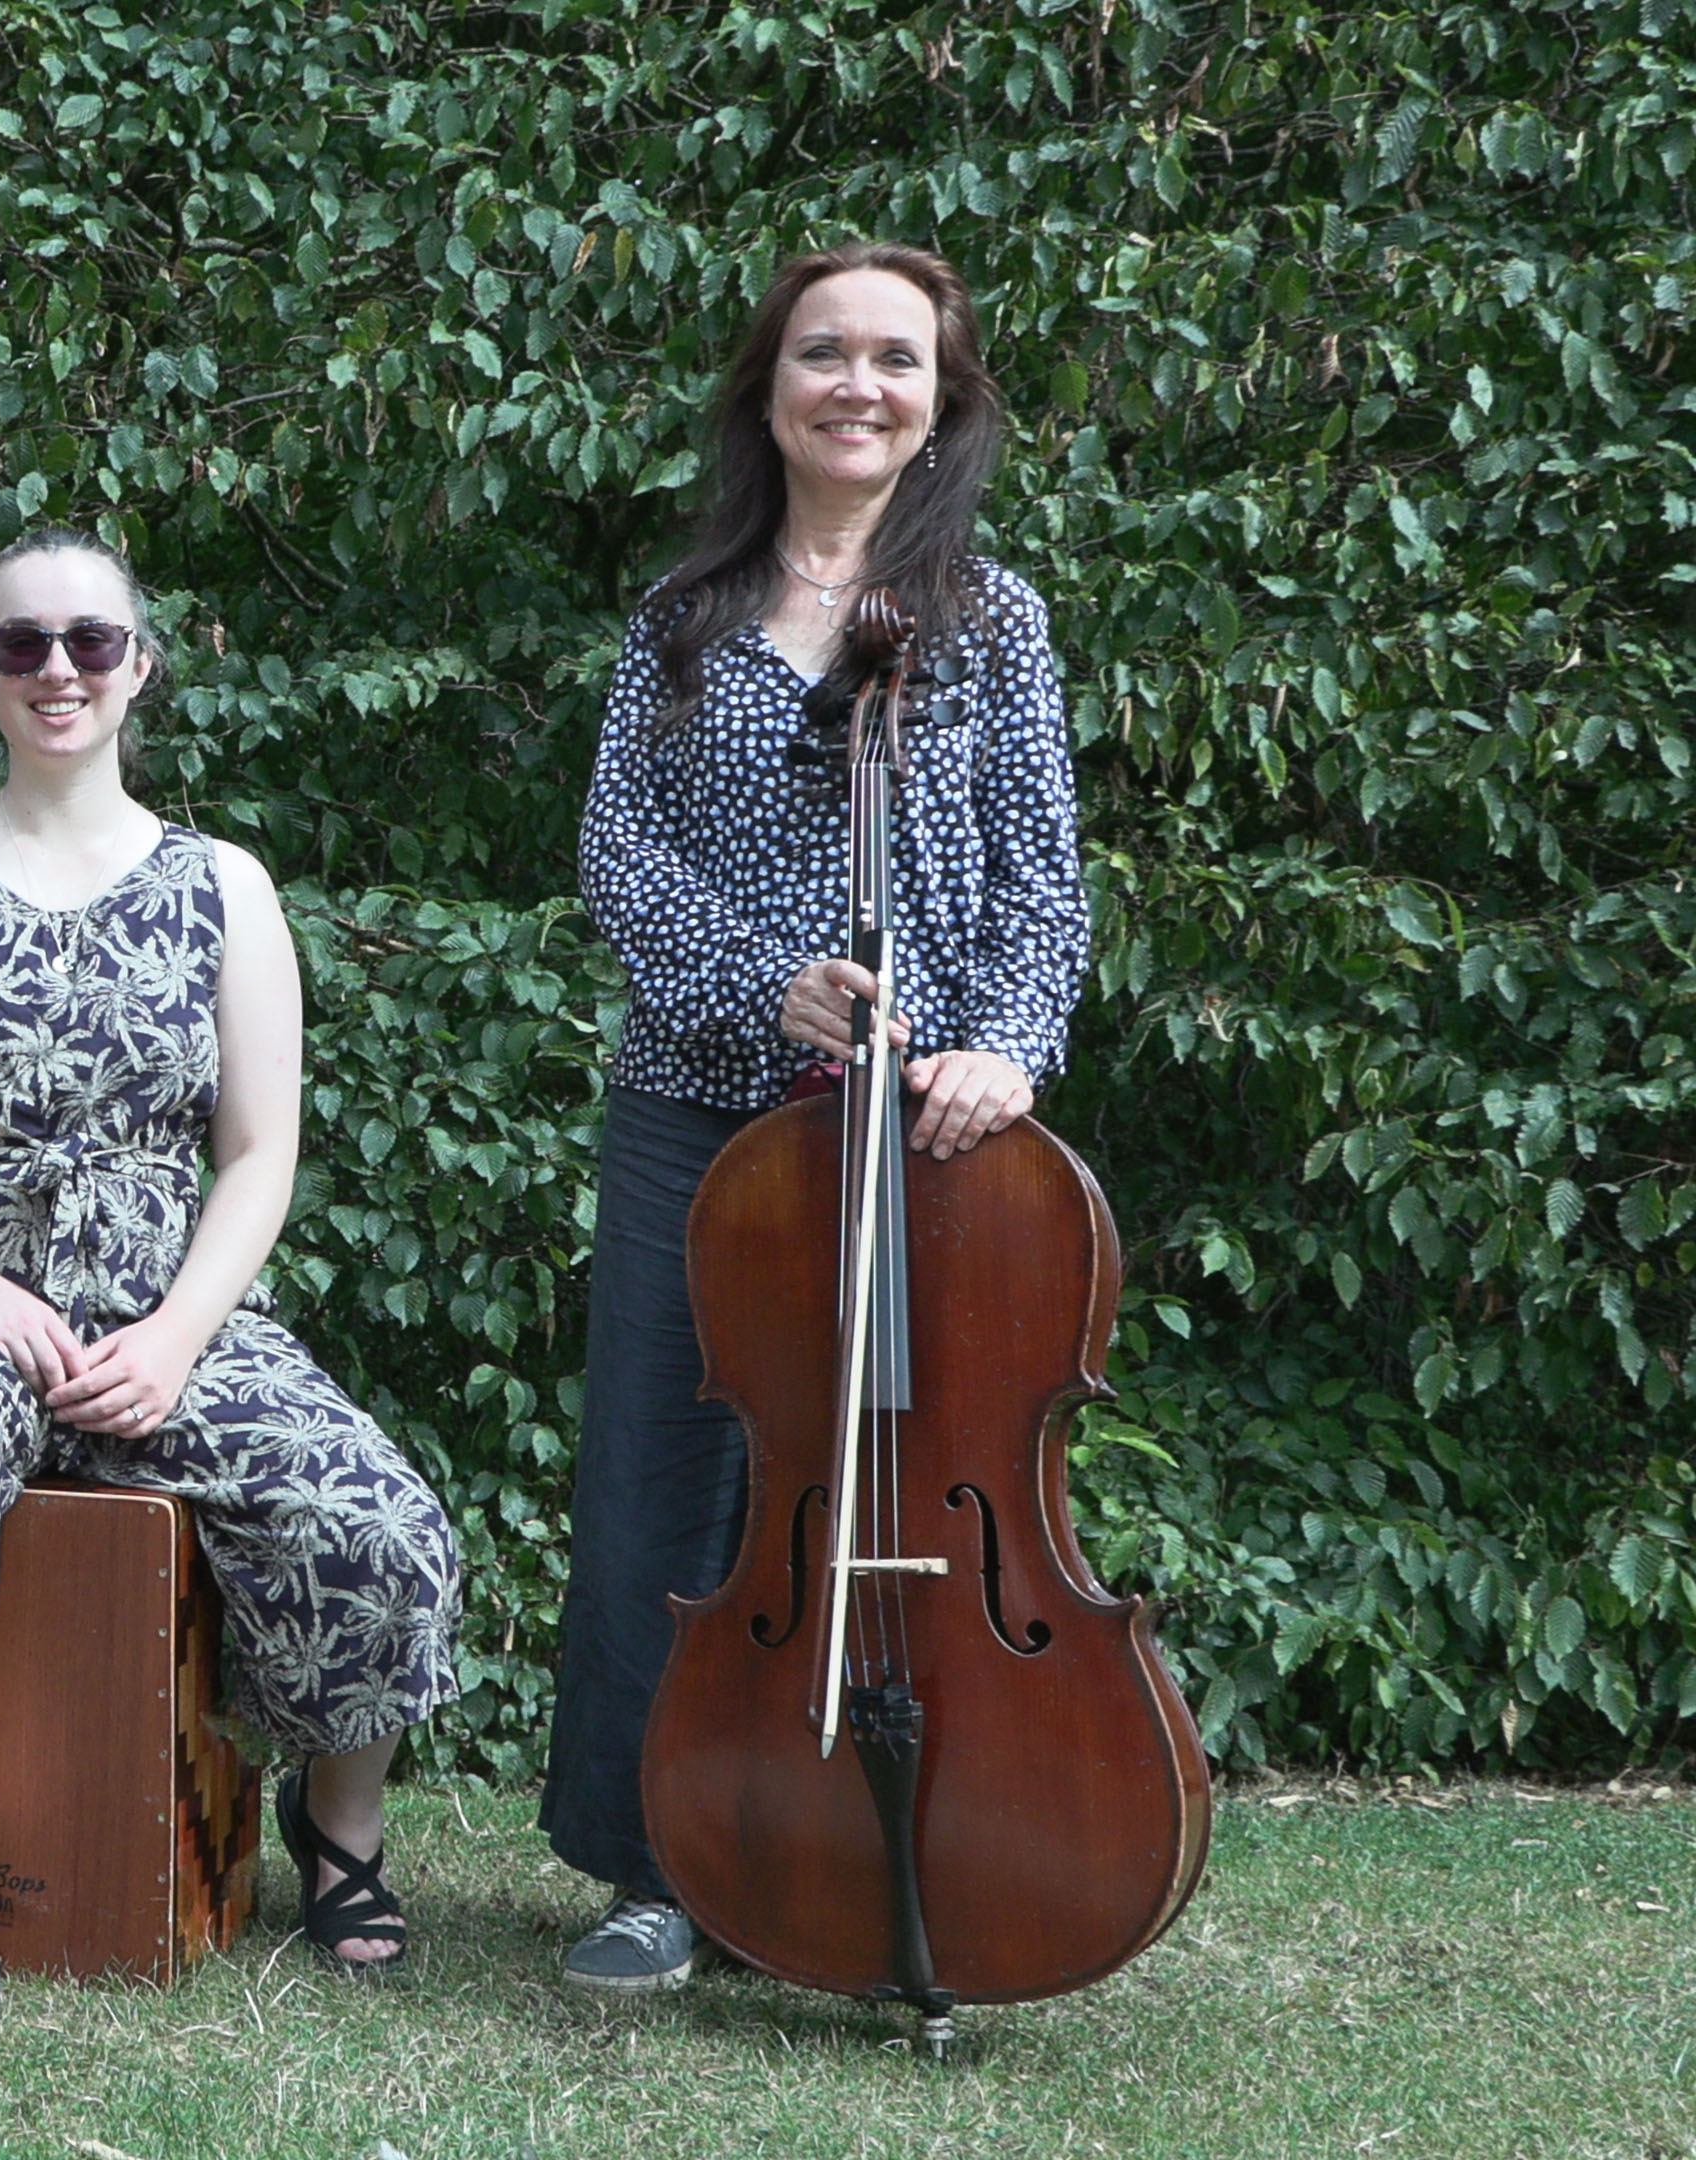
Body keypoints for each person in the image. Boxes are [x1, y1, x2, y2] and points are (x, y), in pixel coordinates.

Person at [0, 529, 464, 2034]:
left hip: (173, 1307)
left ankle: (338, 1828)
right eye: (21, 642)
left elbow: (260, 1154)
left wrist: (174, 1333)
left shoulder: (224, 886)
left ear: (140, 667)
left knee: (368, 1508)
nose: (56, 670)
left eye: (91, 642)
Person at [544, 241, 1088, 1992]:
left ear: (944, 399)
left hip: (929, 1139)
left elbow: (1043, 881)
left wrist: (1004, 1046)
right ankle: (657, 1865)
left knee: (921, 1476)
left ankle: (900, 1832)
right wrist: (758, 981)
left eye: (898, 360)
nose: (861, 385)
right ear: (769, 391)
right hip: (704, 1122)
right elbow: (616, 847)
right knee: (669, 1480)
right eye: (825, 355)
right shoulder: (682, 619)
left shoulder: (992, 621)